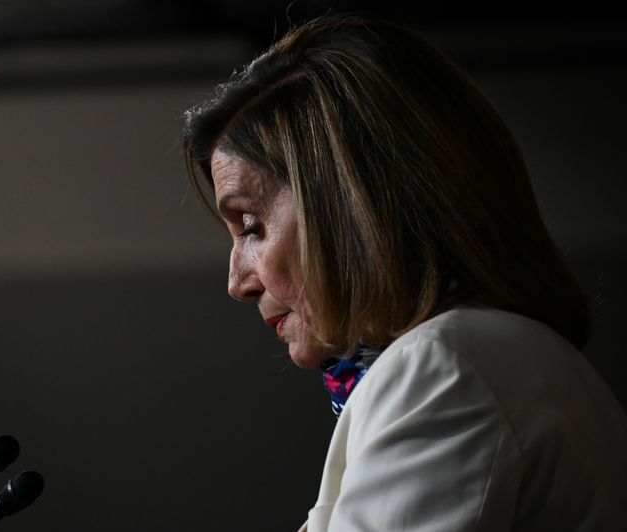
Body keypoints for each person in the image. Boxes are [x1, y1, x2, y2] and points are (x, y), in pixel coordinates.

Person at [182, 14, 627, 532]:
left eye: (252, 226)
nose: (238, 282)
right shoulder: (499, 354)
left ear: (352, 205)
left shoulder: (441, 368)